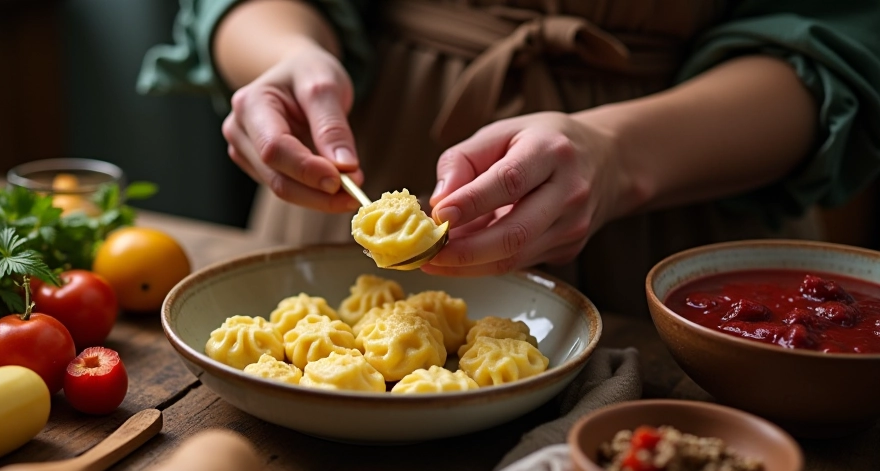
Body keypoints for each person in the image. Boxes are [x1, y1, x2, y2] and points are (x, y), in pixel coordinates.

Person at [138, 0, 880, 316]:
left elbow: (841, 39)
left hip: (678, 213)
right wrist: (285, 54)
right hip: (362, 165)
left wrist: (620, 156)